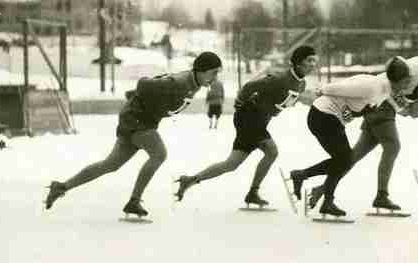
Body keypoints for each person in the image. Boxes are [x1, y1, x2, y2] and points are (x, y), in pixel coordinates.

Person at [45, 51, 223, 217]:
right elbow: (144, 84)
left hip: (138, 118)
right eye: (213, 73)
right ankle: (134, 200)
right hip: (137, 120)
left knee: (110, 164)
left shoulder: (193, 82)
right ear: (201, 70)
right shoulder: (180, 82)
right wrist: (138, 98)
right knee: (159, 154)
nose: (215, 78)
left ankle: (61, 187)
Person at [307, 32, 418, 212]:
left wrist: (410, 102)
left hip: (384, 107)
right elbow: (386, 84)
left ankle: (322, 190)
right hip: (380, 106)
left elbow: (409, 95)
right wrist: (405, 104)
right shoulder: (414, 66)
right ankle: (381, 196)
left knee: (353, 156)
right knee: (393, 146)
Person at [174, 45, 318, 207]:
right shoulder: (280, 78)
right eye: (309, 60)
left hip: (260, 121)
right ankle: (253, 192)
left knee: (231, 164)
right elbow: (250, 86)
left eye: (314, 60)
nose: (313, 64)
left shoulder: (301, 83)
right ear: (298, 63)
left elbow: (287, 100)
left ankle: (190, 180)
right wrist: (240, 102)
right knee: (272, 152)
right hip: (250, 118)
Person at [289, 57, 412, 218]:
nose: (407, 86)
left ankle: (324, 200)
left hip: (332, 118)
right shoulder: (372, 87)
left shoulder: (385, 90)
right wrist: (323, 90)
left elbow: (352, 107)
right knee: (344, 160)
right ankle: (303, 177)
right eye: (405, 82)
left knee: (343, 160)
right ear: (396, 80)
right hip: (322, 115)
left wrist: (359, 112)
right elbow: (337, 88)